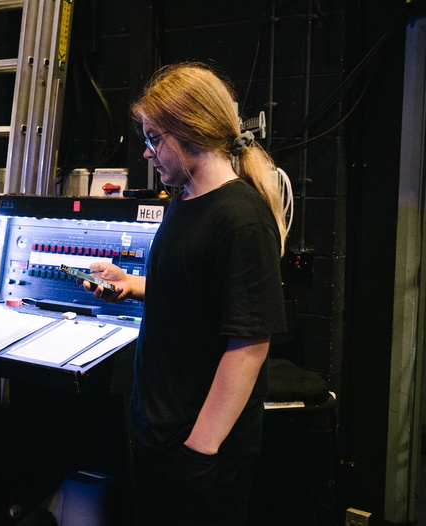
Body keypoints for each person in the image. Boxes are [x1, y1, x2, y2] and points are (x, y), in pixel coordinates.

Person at [82, 63, 287, 525]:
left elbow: (249, 345)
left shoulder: (241, 218)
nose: (147, 151)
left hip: (197, 448)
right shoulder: (185, 198)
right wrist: (129, 284)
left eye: (154, 138)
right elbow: (192, 291)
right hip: (159, 431)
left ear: (191, 130)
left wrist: (200, 448)